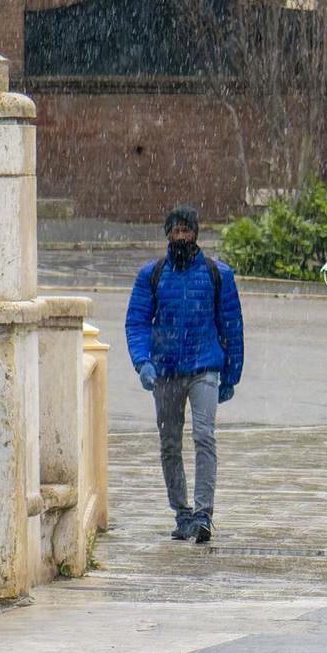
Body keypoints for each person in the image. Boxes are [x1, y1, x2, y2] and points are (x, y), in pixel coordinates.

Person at [124, 206, 244, 544]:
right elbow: (137, 321)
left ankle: (204, 513)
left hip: (205, 367)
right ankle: (182, 513)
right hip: (164, 371)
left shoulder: (217, 274)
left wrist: (232, 373)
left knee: (204, 436)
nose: (181, 237)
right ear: (166, 235)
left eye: (186, 231)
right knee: (170, 443)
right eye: (175, 231)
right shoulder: (152, 275)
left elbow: (231, 325)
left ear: (196, 234)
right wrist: (142, 361)